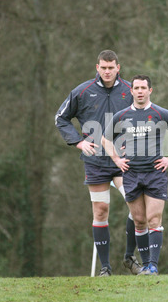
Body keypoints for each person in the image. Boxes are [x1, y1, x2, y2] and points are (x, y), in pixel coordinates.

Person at [55, 50, 142, 276]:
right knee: (101, 210)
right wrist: (78, 142)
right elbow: (61, 118)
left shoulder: (130, 91)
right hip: (95, 161)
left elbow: (146, 117)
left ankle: (129, 257)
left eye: (111, 67)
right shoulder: (82, 91)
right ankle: (105, 268)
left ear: (118, 68)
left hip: (123, 161)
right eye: (103, 67)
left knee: (136, 207)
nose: (107, 71)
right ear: (97, 67)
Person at [102, 75, 168, 275]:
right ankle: (145, 266)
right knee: (139, 220)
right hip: (131, 174)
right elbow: (105, 140)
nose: (140, 91)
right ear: (131, 91)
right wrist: (117, 159)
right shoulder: (122, 115)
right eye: (137, 88)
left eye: (144, 87)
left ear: (150, 90)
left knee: (154, 219)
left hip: (155, 174)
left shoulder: (160, 113)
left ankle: (153, 265)